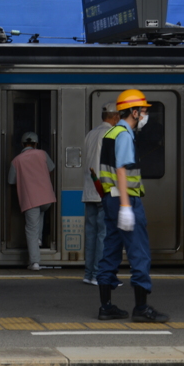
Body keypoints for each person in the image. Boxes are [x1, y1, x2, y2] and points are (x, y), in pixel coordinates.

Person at [95, 89, 169, 323]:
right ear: (134, 112)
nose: (145, 115)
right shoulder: (125, 135)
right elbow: (121, 170)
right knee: (139, 252)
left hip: (110, 199)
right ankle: (141, 307)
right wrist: (127, 206)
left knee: (111, 251)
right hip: (125, 199)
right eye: (144, 111)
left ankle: (106, 307)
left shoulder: (111, 133)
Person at [81, 103, 120, 285]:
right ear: (115, 117)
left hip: (89, 190)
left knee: (91, 233)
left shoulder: (90, 133)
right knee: (104, 234)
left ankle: (89, 274)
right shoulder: (112, 134)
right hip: (105, 190)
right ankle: (99, 274)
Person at [8, 132, 55, 271]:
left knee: (31, 229)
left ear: (22, 145)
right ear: (36, 144)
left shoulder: (17, 160)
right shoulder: (42, 154)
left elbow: (11, 180)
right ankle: (38, 239)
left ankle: (34, 262)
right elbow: (51, 169)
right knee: (40, 216)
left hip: (31, 199)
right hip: (47, 197)